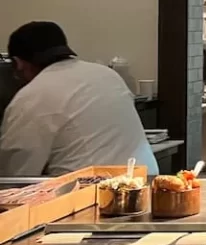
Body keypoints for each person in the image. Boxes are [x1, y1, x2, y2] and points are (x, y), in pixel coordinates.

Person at [0, 22, 158, 177]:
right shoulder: (106, 74)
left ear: (18, 63)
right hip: (145, 180)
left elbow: (16, 173)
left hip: (92, 193)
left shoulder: (32, 96)